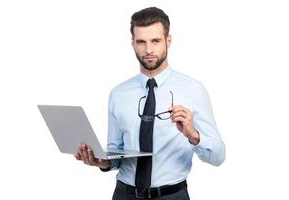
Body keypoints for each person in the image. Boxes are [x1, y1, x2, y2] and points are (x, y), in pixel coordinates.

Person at [75, 7, 225, 200]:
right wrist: (101, 162)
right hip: (124, 194)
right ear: (132, 43)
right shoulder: (118, 93)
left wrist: (193, 135)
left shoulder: (193, 90)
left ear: (168, 41)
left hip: (171, 195)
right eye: (141, 42)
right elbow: (116, 152)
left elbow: (218, 156)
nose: (148, 50)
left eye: (155, 41)